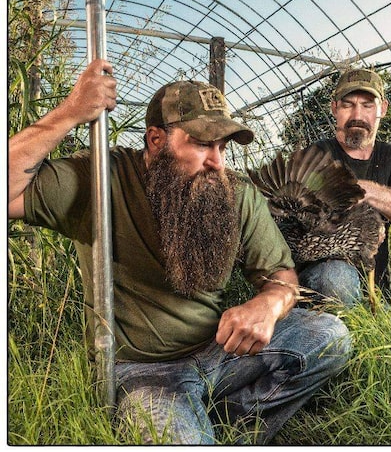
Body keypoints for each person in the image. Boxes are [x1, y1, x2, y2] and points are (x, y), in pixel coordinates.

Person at [8, 59, 351, 445]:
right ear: (156, 140)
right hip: (145, 372)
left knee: (329, 335)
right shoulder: (102, 179)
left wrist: (269, 304)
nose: (217, 162)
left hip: (220, 351)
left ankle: (226, 424)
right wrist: (70, 112)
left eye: (222, 146)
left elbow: (281, 277)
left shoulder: (234, 193)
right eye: (203, 143)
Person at [298, 68, 391, 314]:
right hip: (324, 279)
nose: (357, 115)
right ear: (334, 109)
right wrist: (358, 231)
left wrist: (364, 191)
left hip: (374, 291)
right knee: (337, 279)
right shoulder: (316, 156)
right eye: (348, 105)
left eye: (367, 105)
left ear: (382, 109)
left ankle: (367, 317)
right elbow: (302, 222)